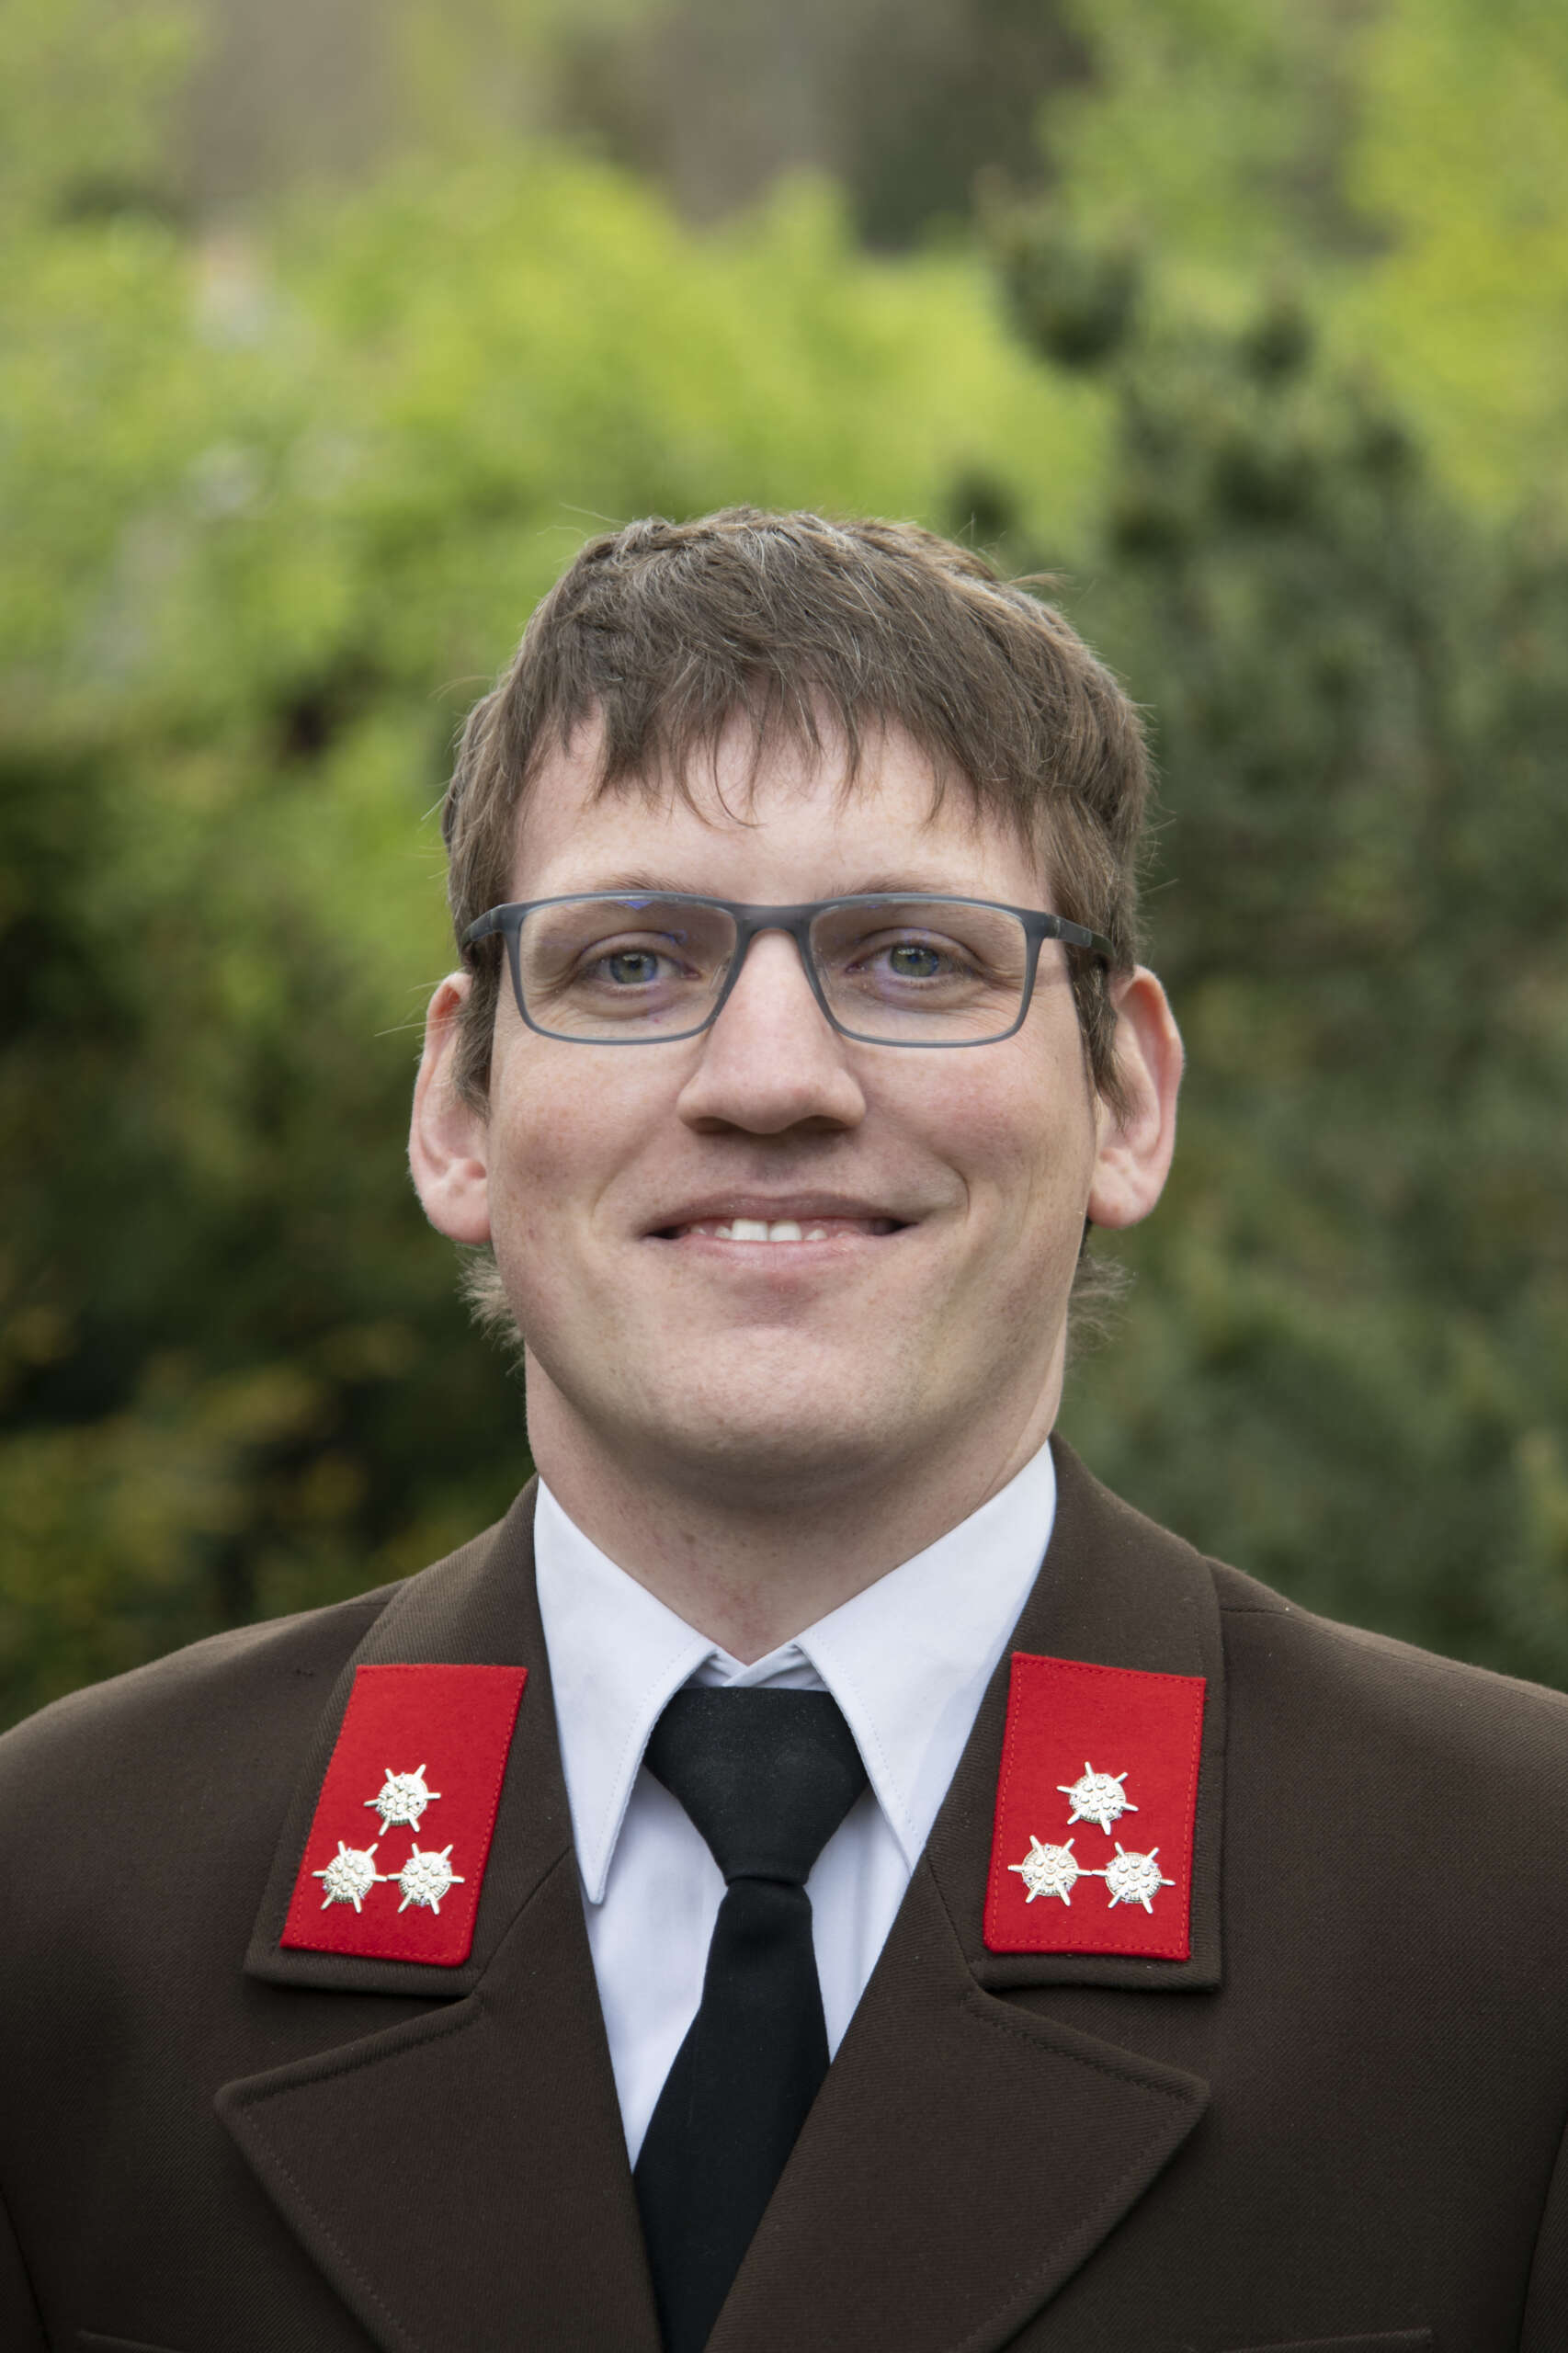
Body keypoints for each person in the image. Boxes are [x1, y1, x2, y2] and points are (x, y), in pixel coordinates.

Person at [3, 508, 1567, 2353]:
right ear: (456, 1111)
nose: (768, 1081)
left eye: (911, 957)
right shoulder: (64, 1900)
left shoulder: (1513, 1908)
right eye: (629, 962)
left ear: (1126, 1099)